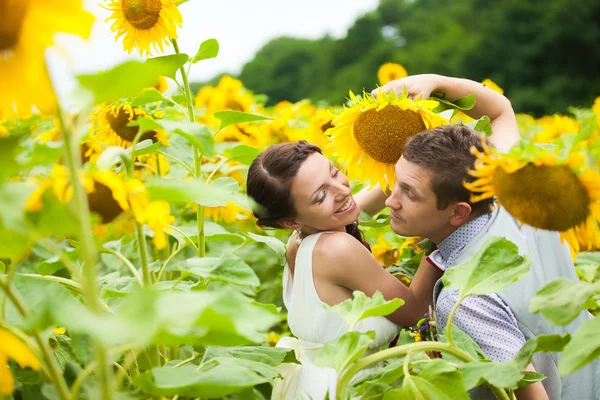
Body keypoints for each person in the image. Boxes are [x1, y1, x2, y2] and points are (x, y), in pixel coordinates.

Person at [374, 74, 600, 400]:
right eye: (396, 183)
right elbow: (501, 111)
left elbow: (531, 395)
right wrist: (433, 81)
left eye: (409, 193)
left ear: (458, 213)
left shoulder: (466, 299)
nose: (389, 200)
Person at [246, 140, 442, 399]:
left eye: (334, 171)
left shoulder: (300, 239)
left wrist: (418, 158)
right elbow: (417, 311)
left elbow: (372, 195)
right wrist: (439, 230)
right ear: (290, 220)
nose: (341, 189)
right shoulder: (336, 248)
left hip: (315, 385)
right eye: (320, 195)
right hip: (347, 389)